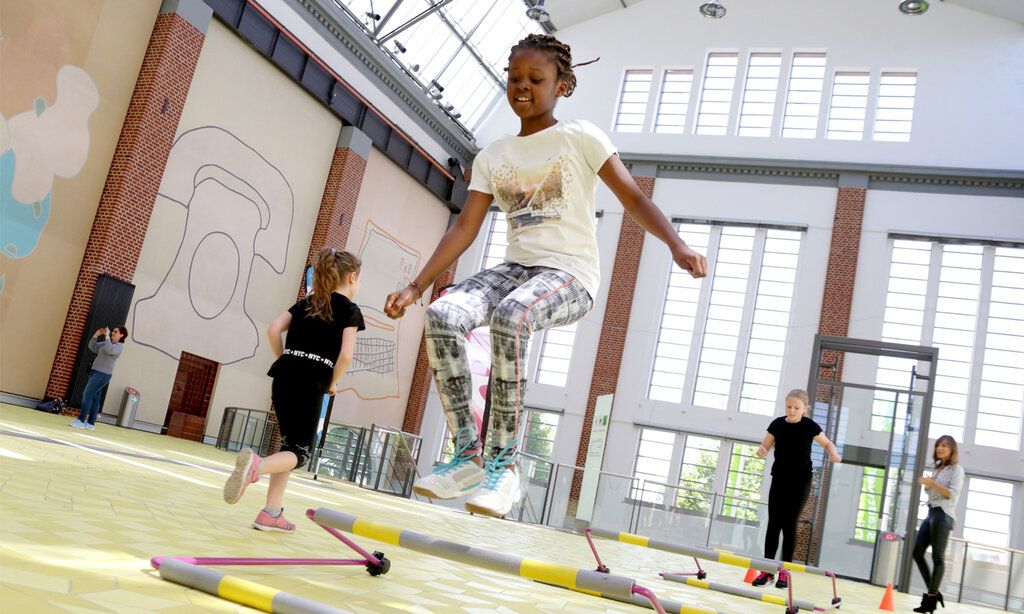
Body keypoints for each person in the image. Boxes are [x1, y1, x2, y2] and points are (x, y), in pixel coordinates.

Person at [383, 33, 707, 518]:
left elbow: (633, 197)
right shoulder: (492, 156)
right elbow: (465, 228)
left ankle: (504, 467)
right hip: (517, 269)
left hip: (570, 275)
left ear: (563, 86)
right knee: (444, 313)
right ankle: (467, 456)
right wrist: (416, 286)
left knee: (512, 316)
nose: (523, 86)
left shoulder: (580, 136)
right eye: (515, 78)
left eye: (536, 79)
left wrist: (676, 244)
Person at [222, 248, 364, 532]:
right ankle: (256, 466)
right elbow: (346, 356)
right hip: (311, 383)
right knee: (301, 453)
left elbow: (273, 329)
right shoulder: (350, 310)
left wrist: (284, 360)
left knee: (289, 445)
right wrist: (332, 382)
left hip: (283, 378)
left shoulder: (307, 303)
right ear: (352, 277)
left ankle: (271, 513)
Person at [752, 389, 841, 589]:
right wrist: (761, 451)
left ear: (804, 408)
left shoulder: (810, 426)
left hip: (800, 482)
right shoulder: (777, 424)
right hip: (779, 479)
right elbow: (764, 447)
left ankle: (785, 573)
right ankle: (767, 571)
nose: (792, 410)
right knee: (773, 524)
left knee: (789, 524)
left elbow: (827, 443)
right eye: (789, 407)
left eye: (796, 408)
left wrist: (834, 453)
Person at [911, 435, 963, 613]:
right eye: (938, 445)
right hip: (931, 512)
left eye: (944, 446)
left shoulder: (957, 469)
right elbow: (932, 493)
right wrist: (928, 486)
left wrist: (931, 483)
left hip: (944, 514)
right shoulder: (937, 468)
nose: (940, 448)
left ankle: (930, 599)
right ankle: (934, 593)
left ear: (952, 450)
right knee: (917, 553)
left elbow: (952, 494)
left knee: (937, 558)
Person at [68, 326, 128, 430]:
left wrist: (107, 336)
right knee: (95, 398)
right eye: (113, 331)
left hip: (102, 375)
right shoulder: (107, 343)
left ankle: (81, 420)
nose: (113, 333)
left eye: (115, 332)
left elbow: (109, 350)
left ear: (121, 335)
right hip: (95, 372)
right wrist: (96, 334)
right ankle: (91, 423)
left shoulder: (119, 346)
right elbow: (92, 347)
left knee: (87, 395)